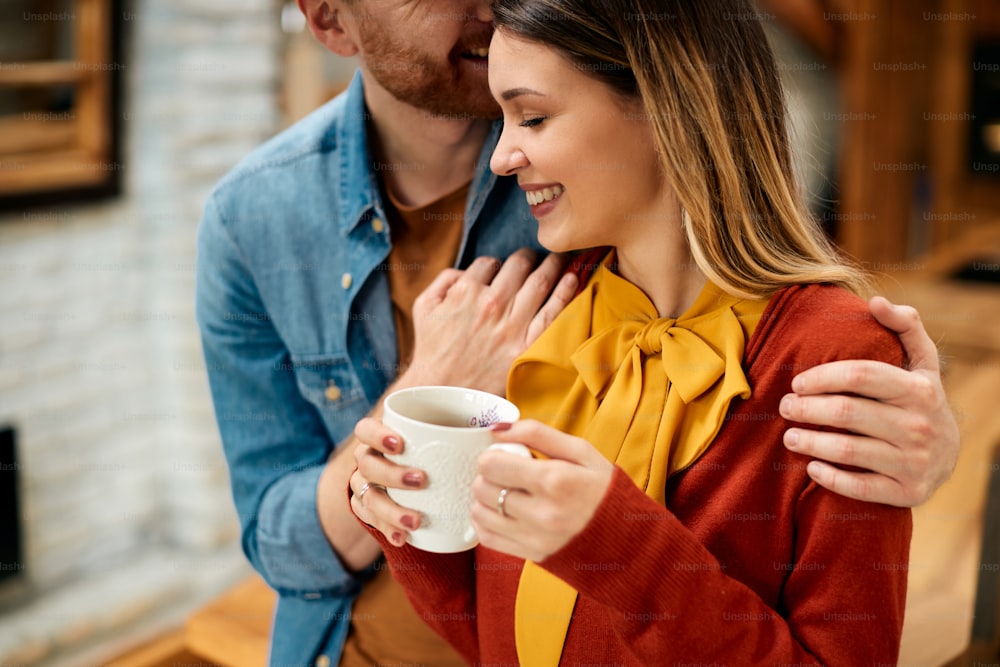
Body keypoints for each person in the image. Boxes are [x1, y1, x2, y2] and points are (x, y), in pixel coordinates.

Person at [195, 1, 957, 665]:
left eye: (530, 115)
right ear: (330, 19)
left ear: (666, 102)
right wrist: (399, 502)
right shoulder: (572, 309)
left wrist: (934, 439)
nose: (506, 154)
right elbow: (509, 630)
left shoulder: (817, 350)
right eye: (510, 115)